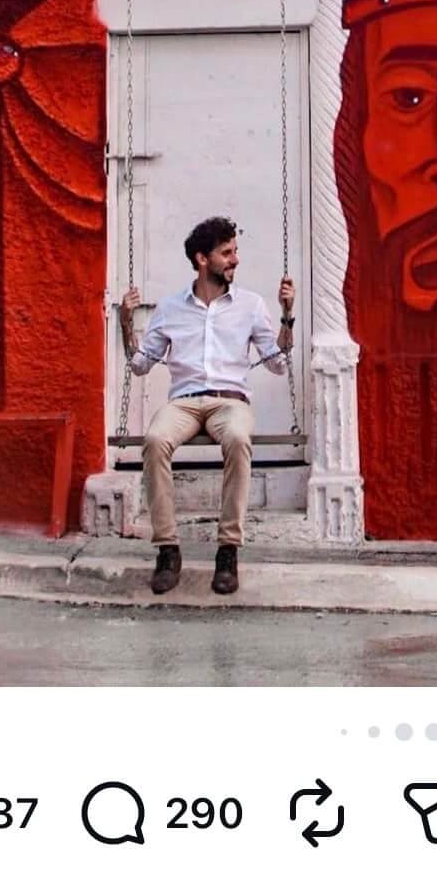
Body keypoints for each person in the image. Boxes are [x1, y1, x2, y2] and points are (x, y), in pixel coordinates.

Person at [120, 216, 296, 597]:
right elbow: (140, 365)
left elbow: (278, 363)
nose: (235, 260)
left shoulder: (250, 305)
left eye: (235, 252)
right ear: (203, 259)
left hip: (229, 401)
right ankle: (167, 550)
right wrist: (125, 323)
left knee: (236, 437)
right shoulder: (169, 308)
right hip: (184, 402)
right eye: (226, 253)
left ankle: (228, 550)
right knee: (154, 439)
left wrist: (286, 315)